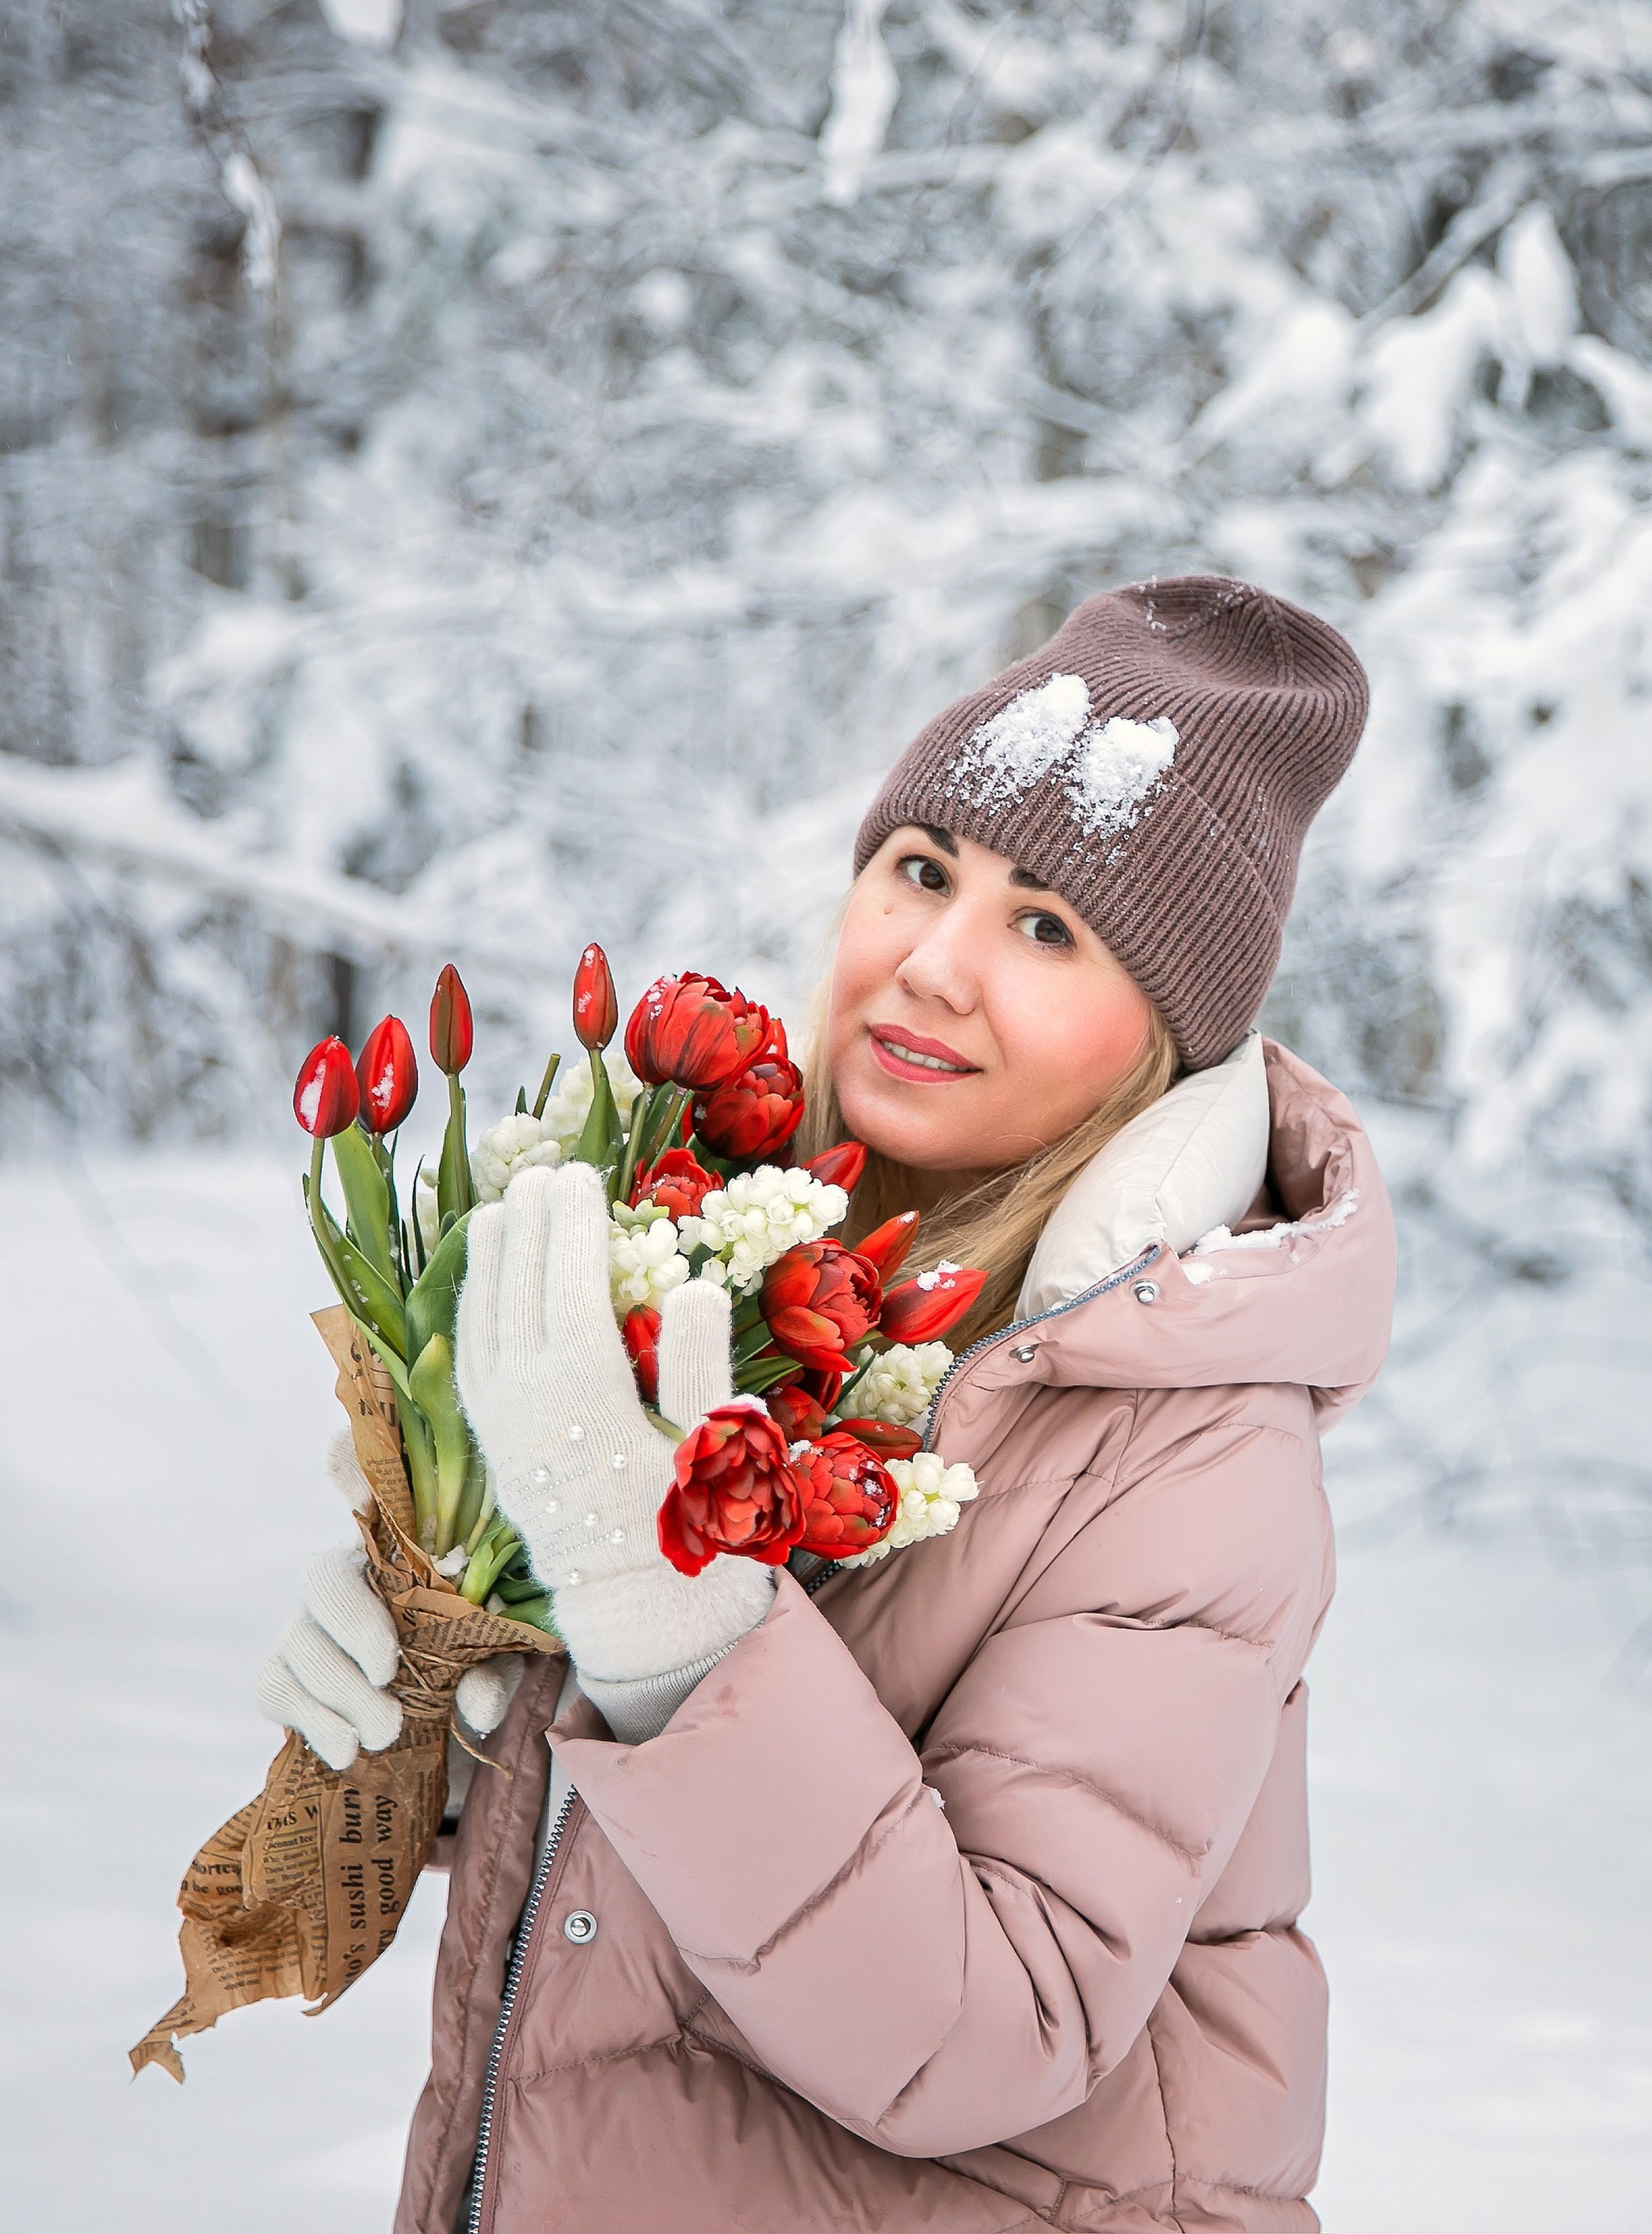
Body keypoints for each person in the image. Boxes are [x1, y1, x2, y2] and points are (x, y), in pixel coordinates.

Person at [259, 576, 1396, 2233]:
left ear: (1166, 1034)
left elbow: (998, 2024)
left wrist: (669, 1619)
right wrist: (452, 1707)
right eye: (922, 874)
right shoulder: (715, 1238)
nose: (933, 966)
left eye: (1048, 927)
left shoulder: (1192, 1449)